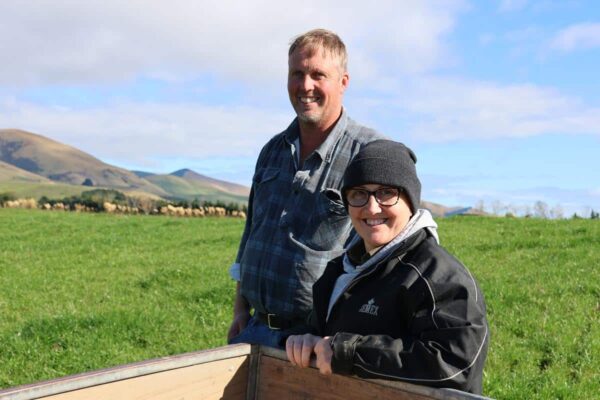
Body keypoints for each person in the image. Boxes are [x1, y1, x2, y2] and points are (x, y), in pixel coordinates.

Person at [286, 140, 489, 394]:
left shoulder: (438, 277)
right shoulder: (340, 270)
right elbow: (326, 338)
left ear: (410, 200)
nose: (372, 207)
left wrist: (349, 352)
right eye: (359, 193)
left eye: (386, 192)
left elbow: (455, 363)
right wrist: (307, 339)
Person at [227, 29, 385, 348]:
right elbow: (251, 234)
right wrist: (240, 310)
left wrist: (340, 341)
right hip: (254, 329)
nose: (305, 86)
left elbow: (380, 259)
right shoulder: (272, 150)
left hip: (315, 341)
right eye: (297, 74)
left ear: (343, 82)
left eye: (318, 75)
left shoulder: (368, 155)